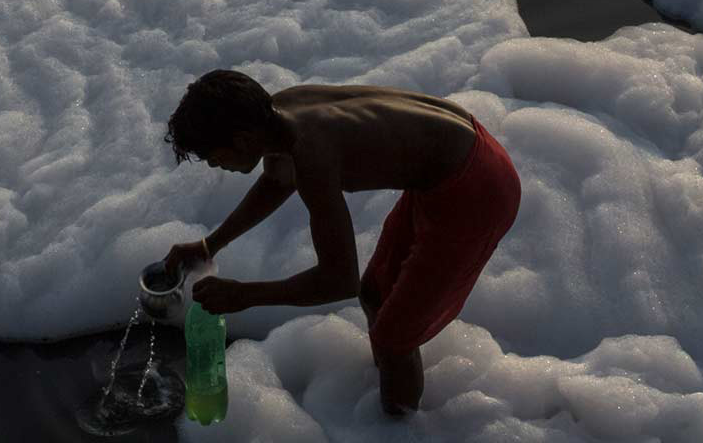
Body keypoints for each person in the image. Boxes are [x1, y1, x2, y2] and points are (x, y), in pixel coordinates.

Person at [160, 71, 522, 417]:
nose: (213, 165)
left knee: (395, 340)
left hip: (477, 189)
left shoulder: (313, 155)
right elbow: (276, 181)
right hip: (458, 155)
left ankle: (399, 429)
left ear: (241, 140)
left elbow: (338, 281)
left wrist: (246, 295)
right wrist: (211, 245)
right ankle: (391, 385)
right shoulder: (279, 112)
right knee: (375, 295)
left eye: (212, 157)